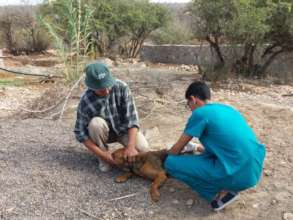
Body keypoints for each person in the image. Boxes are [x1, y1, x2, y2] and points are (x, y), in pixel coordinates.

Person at [165, 81, 266, 211]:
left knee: (171, 163)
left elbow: (176, 149)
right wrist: (196, 147)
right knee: (200, 155)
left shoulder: (199, 114)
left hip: (238, 174)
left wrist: (161, 156)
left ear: (193, 99)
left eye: (188, 104)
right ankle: (227, 183)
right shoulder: (227, 109)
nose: (189, 108)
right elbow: (226, 145)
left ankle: (218, 194)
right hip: (254, 170)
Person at [74, 62, 149, 172]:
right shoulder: (86, 101)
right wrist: (103, 155)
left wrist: (131, 146)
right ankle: (104, 157)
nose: (107, 90)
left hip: (124, 130)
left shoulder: (122, 87)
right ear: (92, 87)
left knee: (143, 150)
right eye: (102, 89)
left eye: (108, 85)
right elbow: (80, 133)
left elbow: (132, 119)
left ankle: (123, 152)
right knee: (95, 123)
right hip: (104, 133)